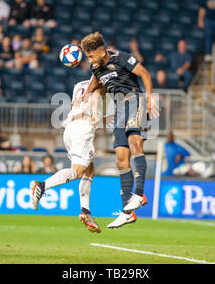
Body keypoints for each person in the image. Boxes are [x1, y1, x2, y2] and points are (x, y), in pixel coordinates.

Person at [77, 31, 159, 229]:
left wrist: (149, 98)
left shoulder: (121, 58)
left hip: (134, 100)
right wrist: (85, 96)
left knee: (134, 143)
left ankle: (139, 194)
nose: (89, 59)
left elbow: (145, 73)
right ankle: (126, 212)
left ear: (100, 50)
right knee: (121, 159)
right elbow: (96, 85)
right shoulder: (96, 68)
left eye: (90, 55)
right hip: (119, 110)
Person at [31, 80, 106, 233]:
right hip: (83, 128)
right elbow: (96, 94)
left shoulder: (79, 85)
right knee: (77, 171)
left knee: (89, 170)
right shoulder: (101, 80)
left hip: (70, 128)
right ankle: (41, 185)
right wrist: (97, 115)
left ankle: (85, 210)